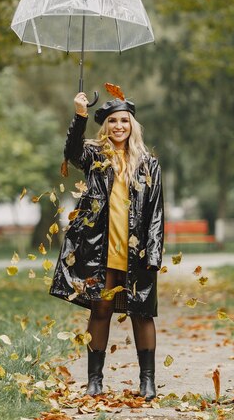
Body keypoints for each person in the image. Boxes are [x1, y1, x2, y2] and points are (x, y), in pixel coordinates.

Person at [50, 90, 164, 400]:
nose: (118, 126)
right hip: (100, 248)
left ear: (132, 124)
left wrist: (153, 253)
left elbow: (155, 212)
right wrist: (79, 115)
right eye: (112, 121)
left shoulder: (147, 162)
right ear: (106, 126)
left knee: (142, 312)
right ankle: (94, 381)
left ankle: (147, 381)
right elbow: (72, 152)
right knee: (100, 310)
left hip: (136, 250)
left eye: (124, 120)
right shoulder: (94, 156)